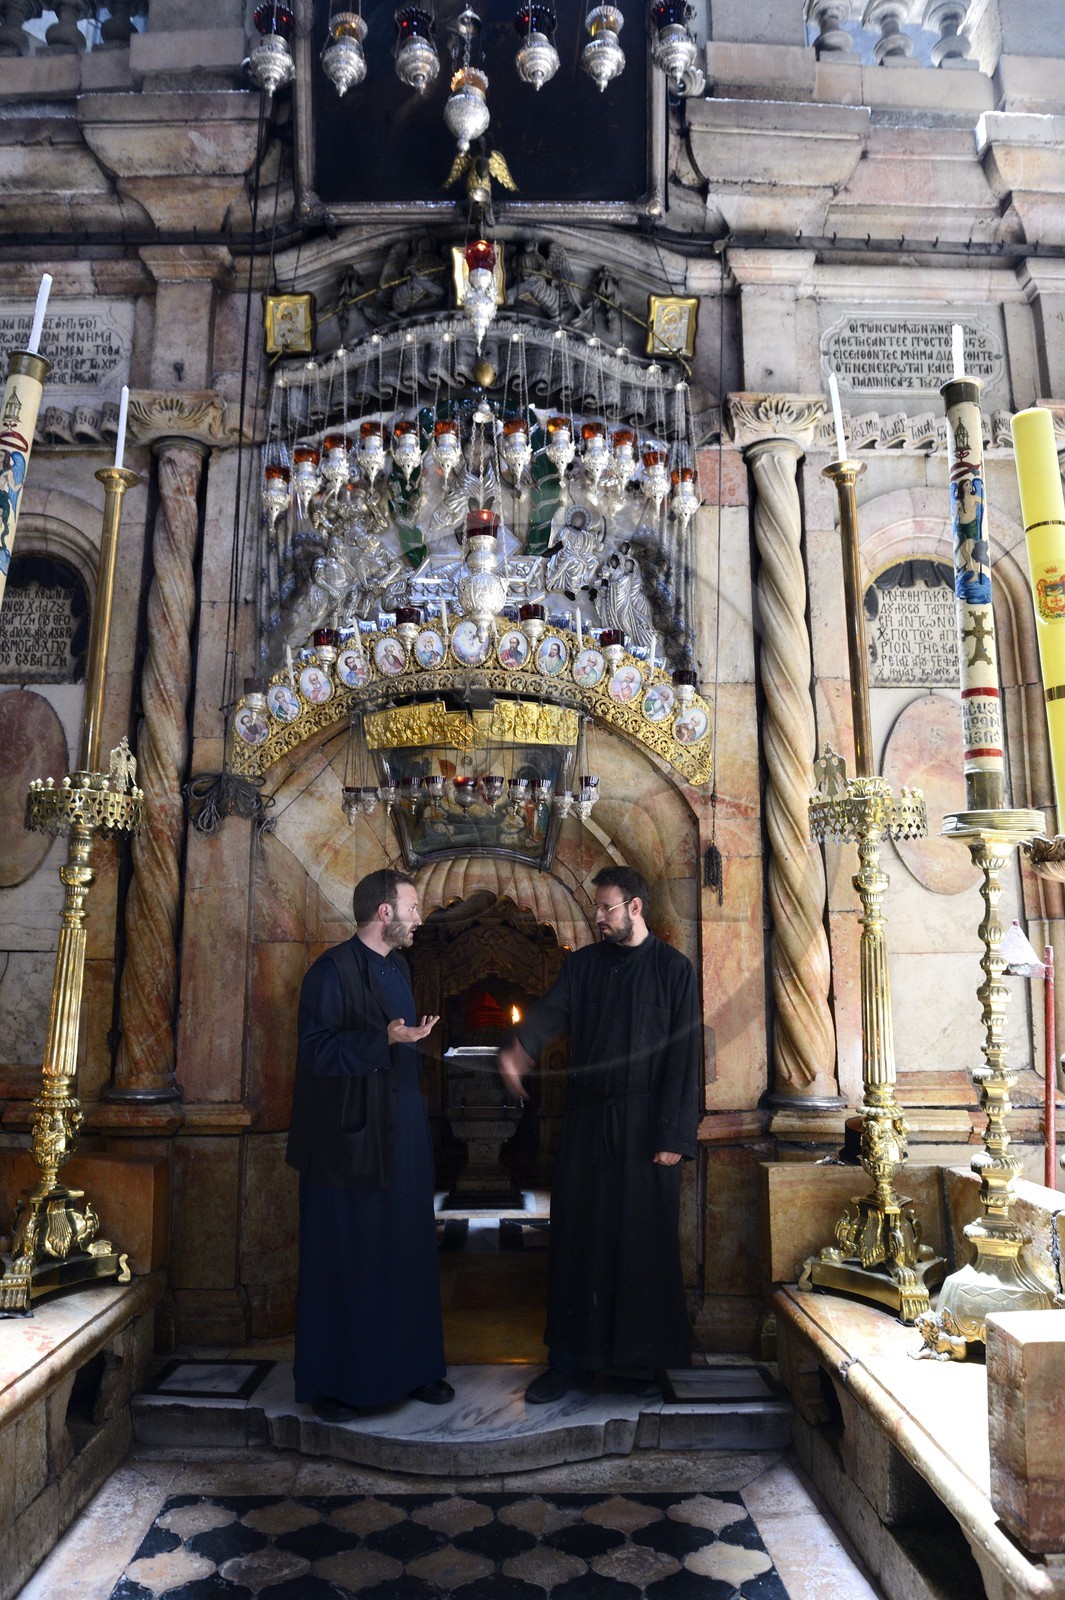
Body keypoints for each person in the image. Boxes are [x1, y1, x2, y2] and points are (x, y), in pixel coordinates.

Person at [498, 865, 701, 1404]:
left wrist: (673, 1137)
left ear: (635, 908)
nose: (598, 917)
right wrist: (521, 1048)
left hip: (647, 1129)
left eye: (606, 908)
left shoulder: (674, 970)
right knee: (577, 1241)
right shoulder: (583, 966)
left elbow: (685, 1057)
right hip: (589, 1123)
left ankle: (639, 1366)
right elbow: (550, 1013)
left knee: (641, 1243)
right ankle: (568, 1363)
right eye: (597, 908)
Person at [286, 869, 452, 1419]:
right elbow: (316, 1053)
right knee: (352, 1258)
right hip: (348, 1144)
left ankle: (417, 1370)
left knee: (406, 1248)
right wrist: (383, 1039)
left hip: (402, 1134)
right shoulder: (330, 971)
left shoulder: (399, 965)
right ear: (385, 913)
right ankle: (341, 1384)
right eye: (412, 908)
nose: (418, 918)